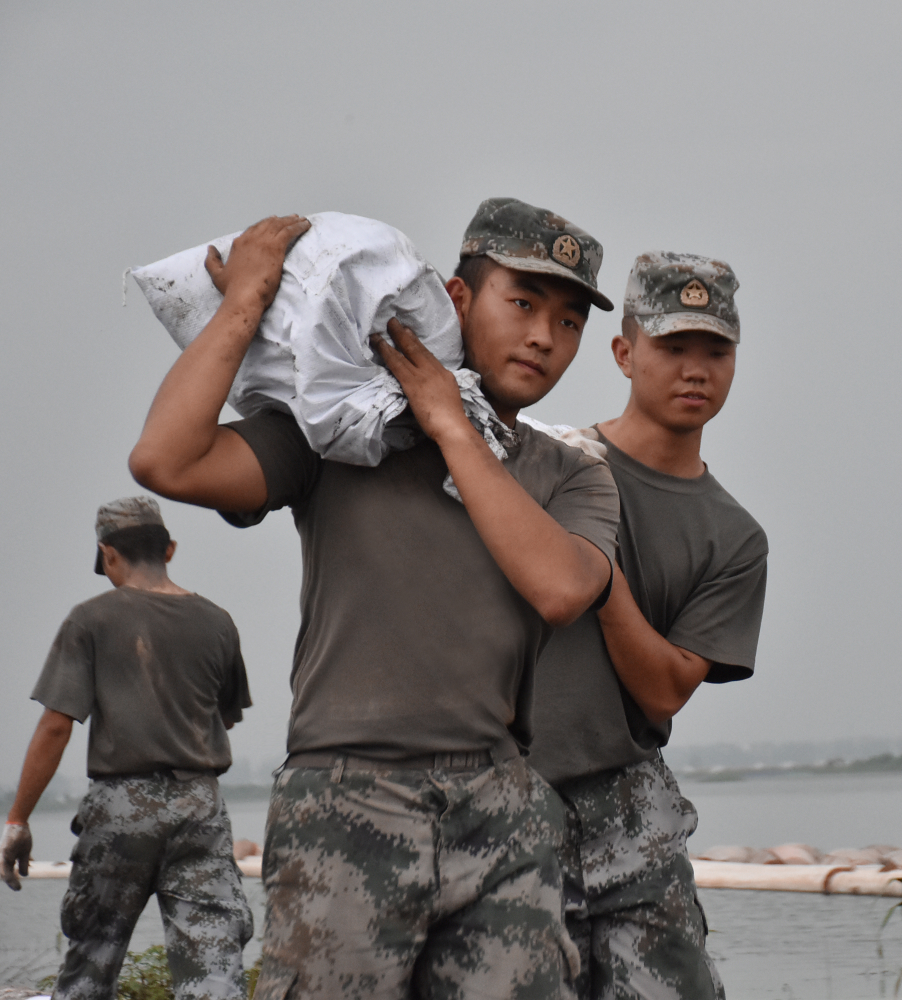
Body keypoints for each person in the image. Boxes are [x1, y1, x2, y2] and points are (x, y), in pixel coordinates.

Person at [126, 199, 622, 1000]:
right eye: (522, 304)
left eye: (568, 323)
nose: (542, 336)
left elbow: (561, 588)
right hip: (343, 798)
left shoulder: (572, 474)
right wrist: (246, 304)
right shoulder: (342, 437)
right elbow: (166, 461)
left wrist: (454, 429)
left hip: (500, 805)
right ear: (457, 303)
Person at [527, 252, 768, 999]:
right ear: (625, 353)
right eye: (672, 348)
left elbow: (664, 691)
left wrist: (600, 573)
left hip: (630, 810)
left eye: (715, 352)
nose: (695, 370)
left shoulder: (733, 537)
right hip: (506, 796)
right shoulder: (544, 464)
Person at [0, 496, 254, 1000]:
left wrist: (17, 821)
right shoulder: (217, 622)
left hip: (121, 808)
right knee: (214, 973)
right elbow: (224, 716)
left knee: (91, 967)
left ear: (107, 554)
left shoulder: (90, 620)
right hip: (200, 806)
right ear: (169, 550)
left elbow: (55, 728)